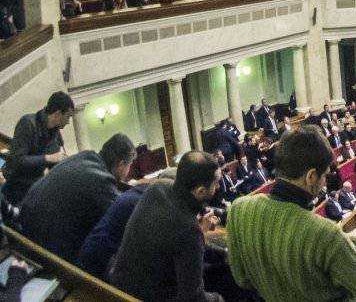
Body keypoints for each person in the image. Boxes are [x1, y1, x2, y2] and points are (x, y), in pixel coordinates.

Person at [226, 126, 356, 302]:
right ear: (311, 176)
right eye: (324, 176)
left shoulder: (238, 209)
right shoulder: (326, 234)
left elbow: (242, 279)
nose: (325, 183)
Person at [109, 152, 223, 302]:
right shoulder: (189, 229)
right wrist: (218, 298)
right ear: (200, 191)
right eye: (215, 183)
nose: (218, 186)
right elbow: (193, 298)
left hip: (118, 284)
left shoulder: (157, 187)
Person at [18, 133, 136, 263]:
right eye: (129, 165)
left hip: (25, 227)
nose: (128, 171)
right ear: (121, 164)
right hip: (46, 248)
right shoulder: (102, 181)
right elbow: (121, 218)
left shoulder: (84, 156)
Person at [2, 91, 74, 205]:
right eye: (68, 117)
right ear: (58, 114)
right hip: (16, 189)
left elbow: (54, 165)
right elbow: (18, 160)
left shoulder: (55, 134)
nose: (69, 121)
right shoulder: (27, 123)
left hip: (34, 187)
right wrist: (49, 158)